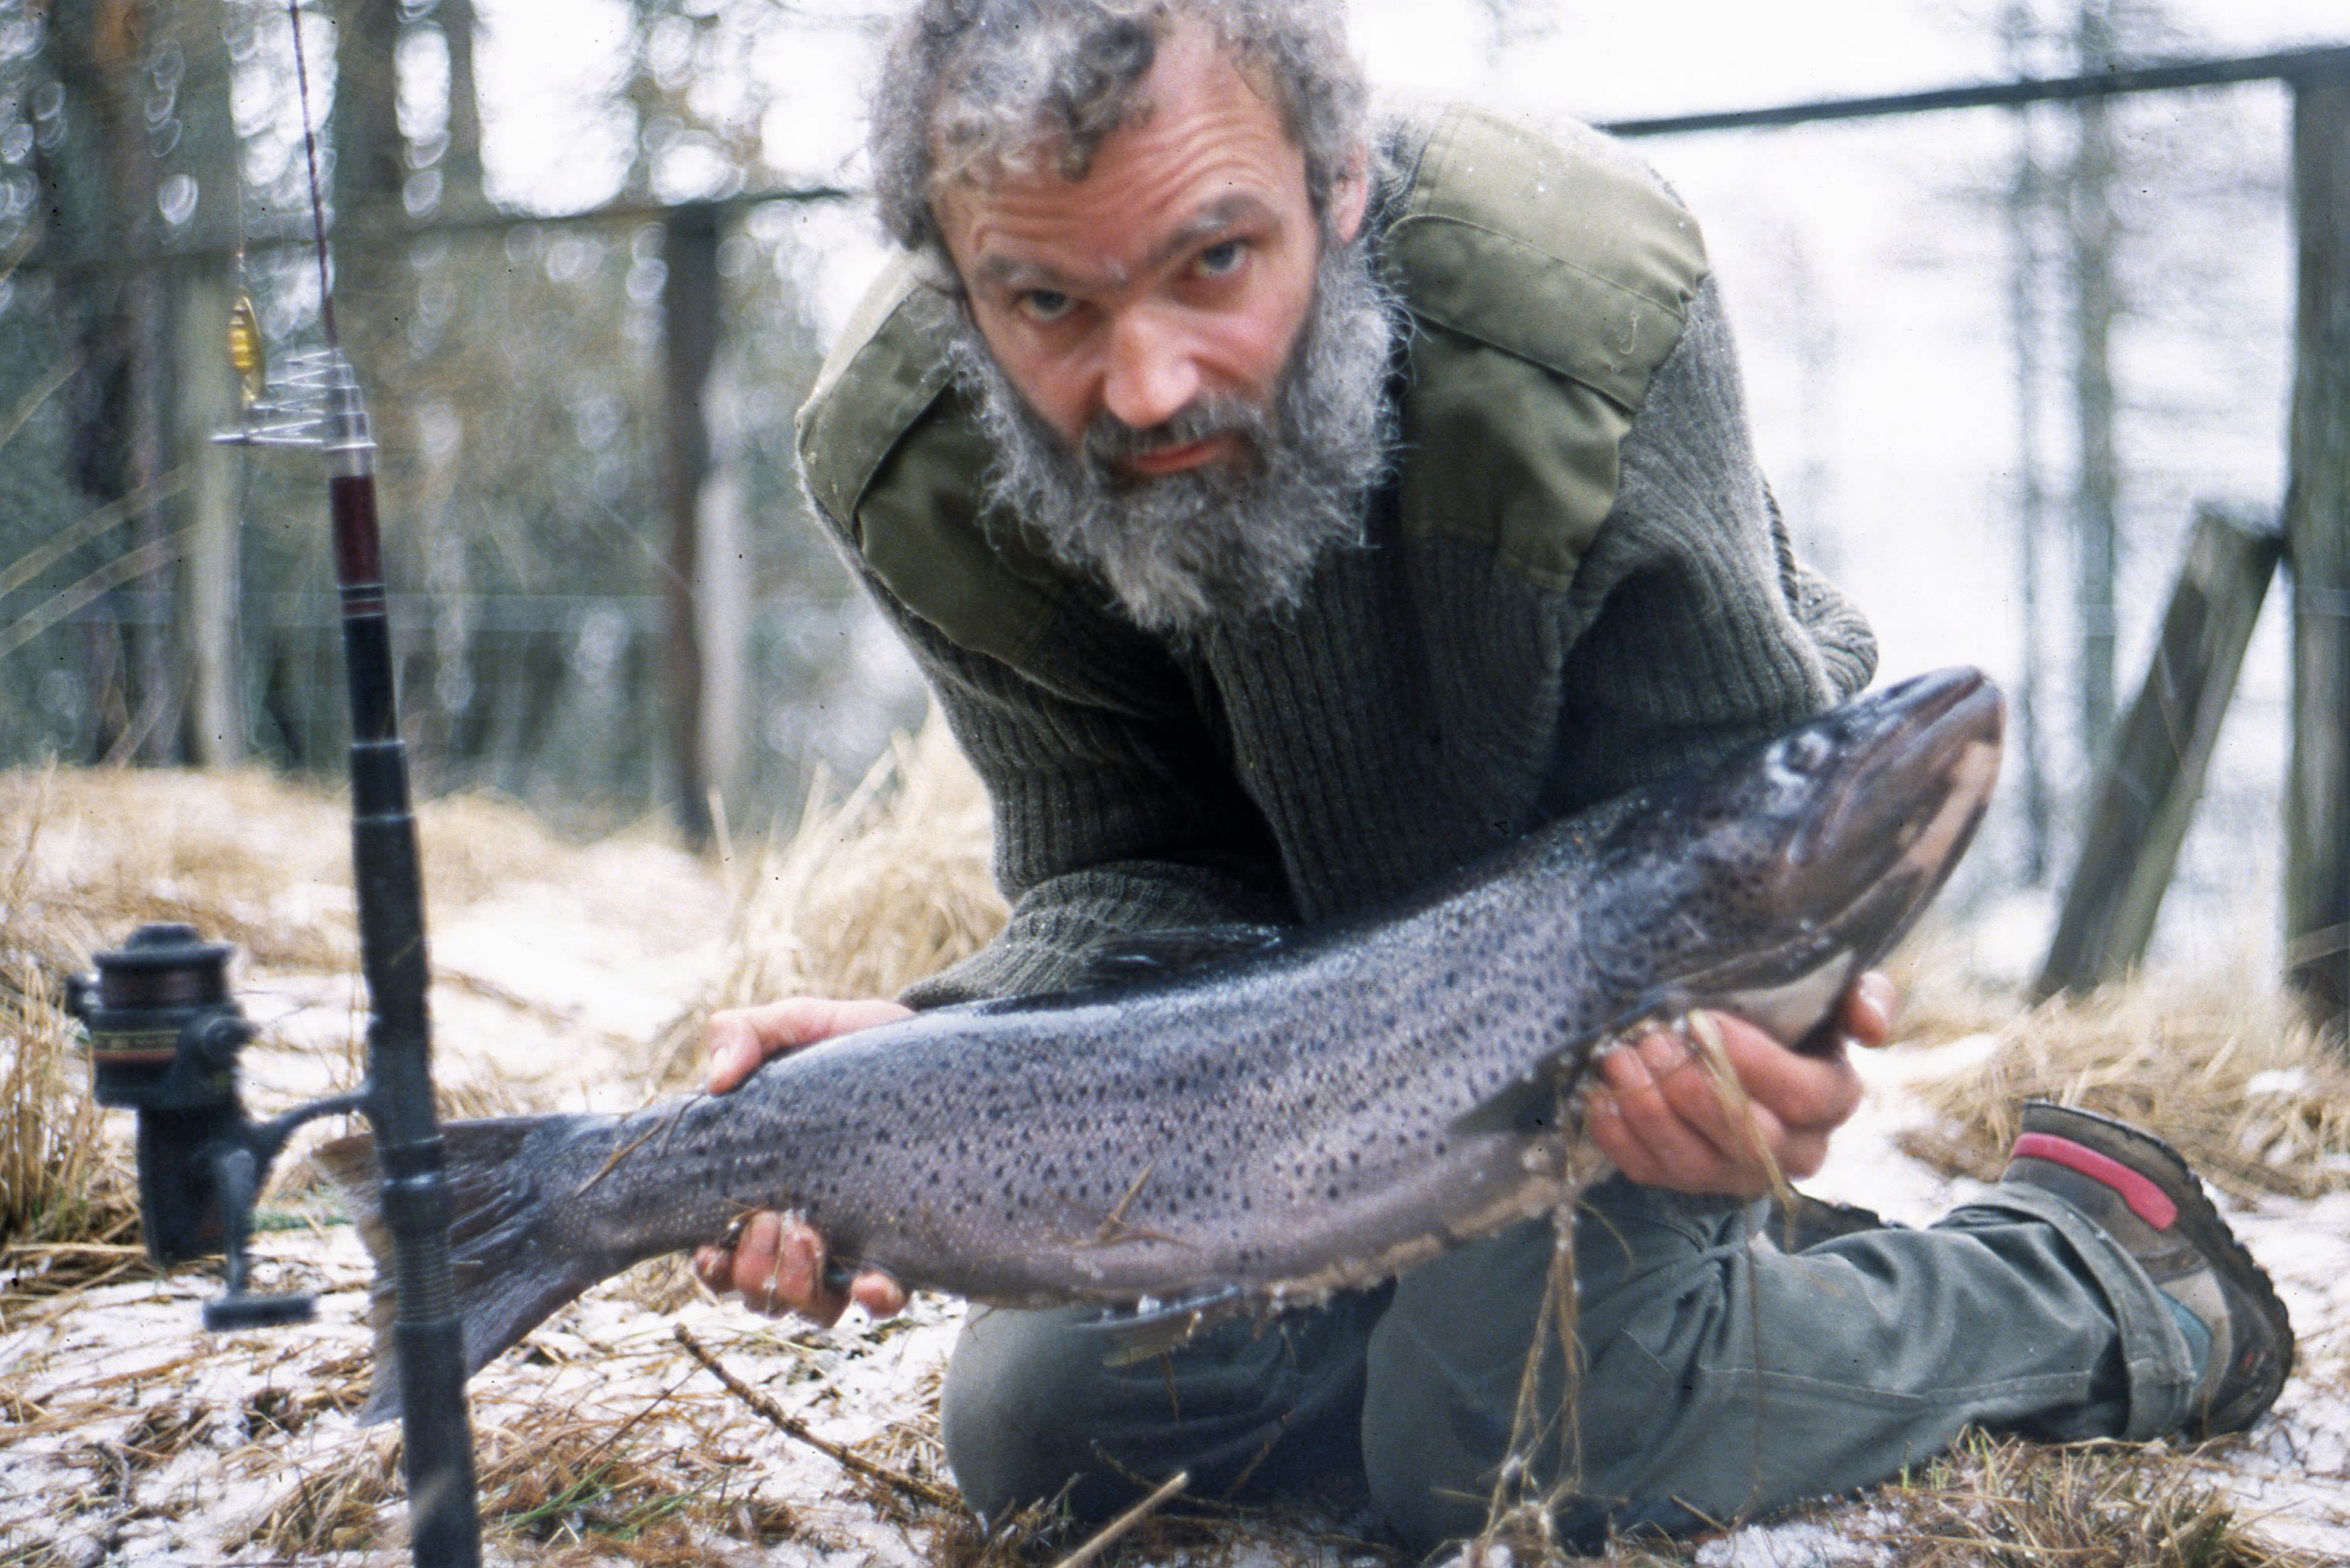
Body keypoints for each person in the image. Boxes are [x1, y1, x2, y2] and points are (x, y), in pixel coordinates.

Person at [689, 0, 2293, 1551]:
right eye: (1045, 304)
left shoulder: (1578, 312)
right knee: (1038, 1430)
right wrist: (937, 1062)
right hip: (1278, 1076)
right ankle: (1615, 1324)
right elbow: (1124, 874)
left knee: (1504, 1447)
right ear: (961, 293)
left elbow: (1722, 821)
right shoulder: (914, 455)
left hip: (1583, 1008)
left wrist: (1751, 1073)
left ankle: (2089, 1270)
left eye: (1216, 260)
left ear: (1340, 179)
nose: (1148, 381)